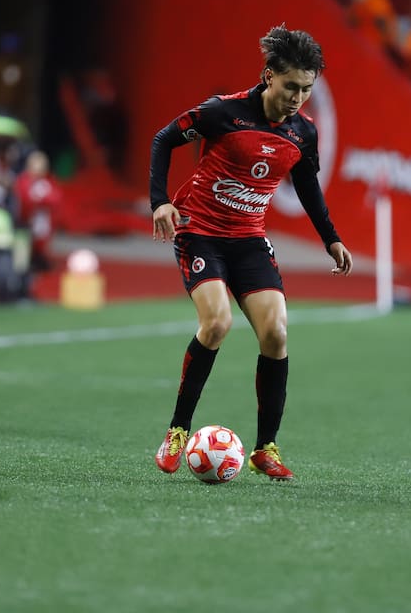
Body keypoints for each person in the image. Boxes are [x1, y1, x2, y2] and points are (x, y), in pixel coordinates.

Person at [149, 25, 353, 481]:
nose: (298, 97)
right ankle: (177, 431)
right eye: (290, 87)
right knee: (217, 322)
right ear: (268, 76)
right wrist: (159, 200)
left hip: (248, 239)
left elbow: (307, 187)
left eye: (306, 89)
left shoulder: (303, 132)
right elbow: (164, 139)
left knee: (277, 333)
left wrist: (331, 237)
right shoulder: (223, 112)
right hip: (200, 231)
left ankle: (266, 448)